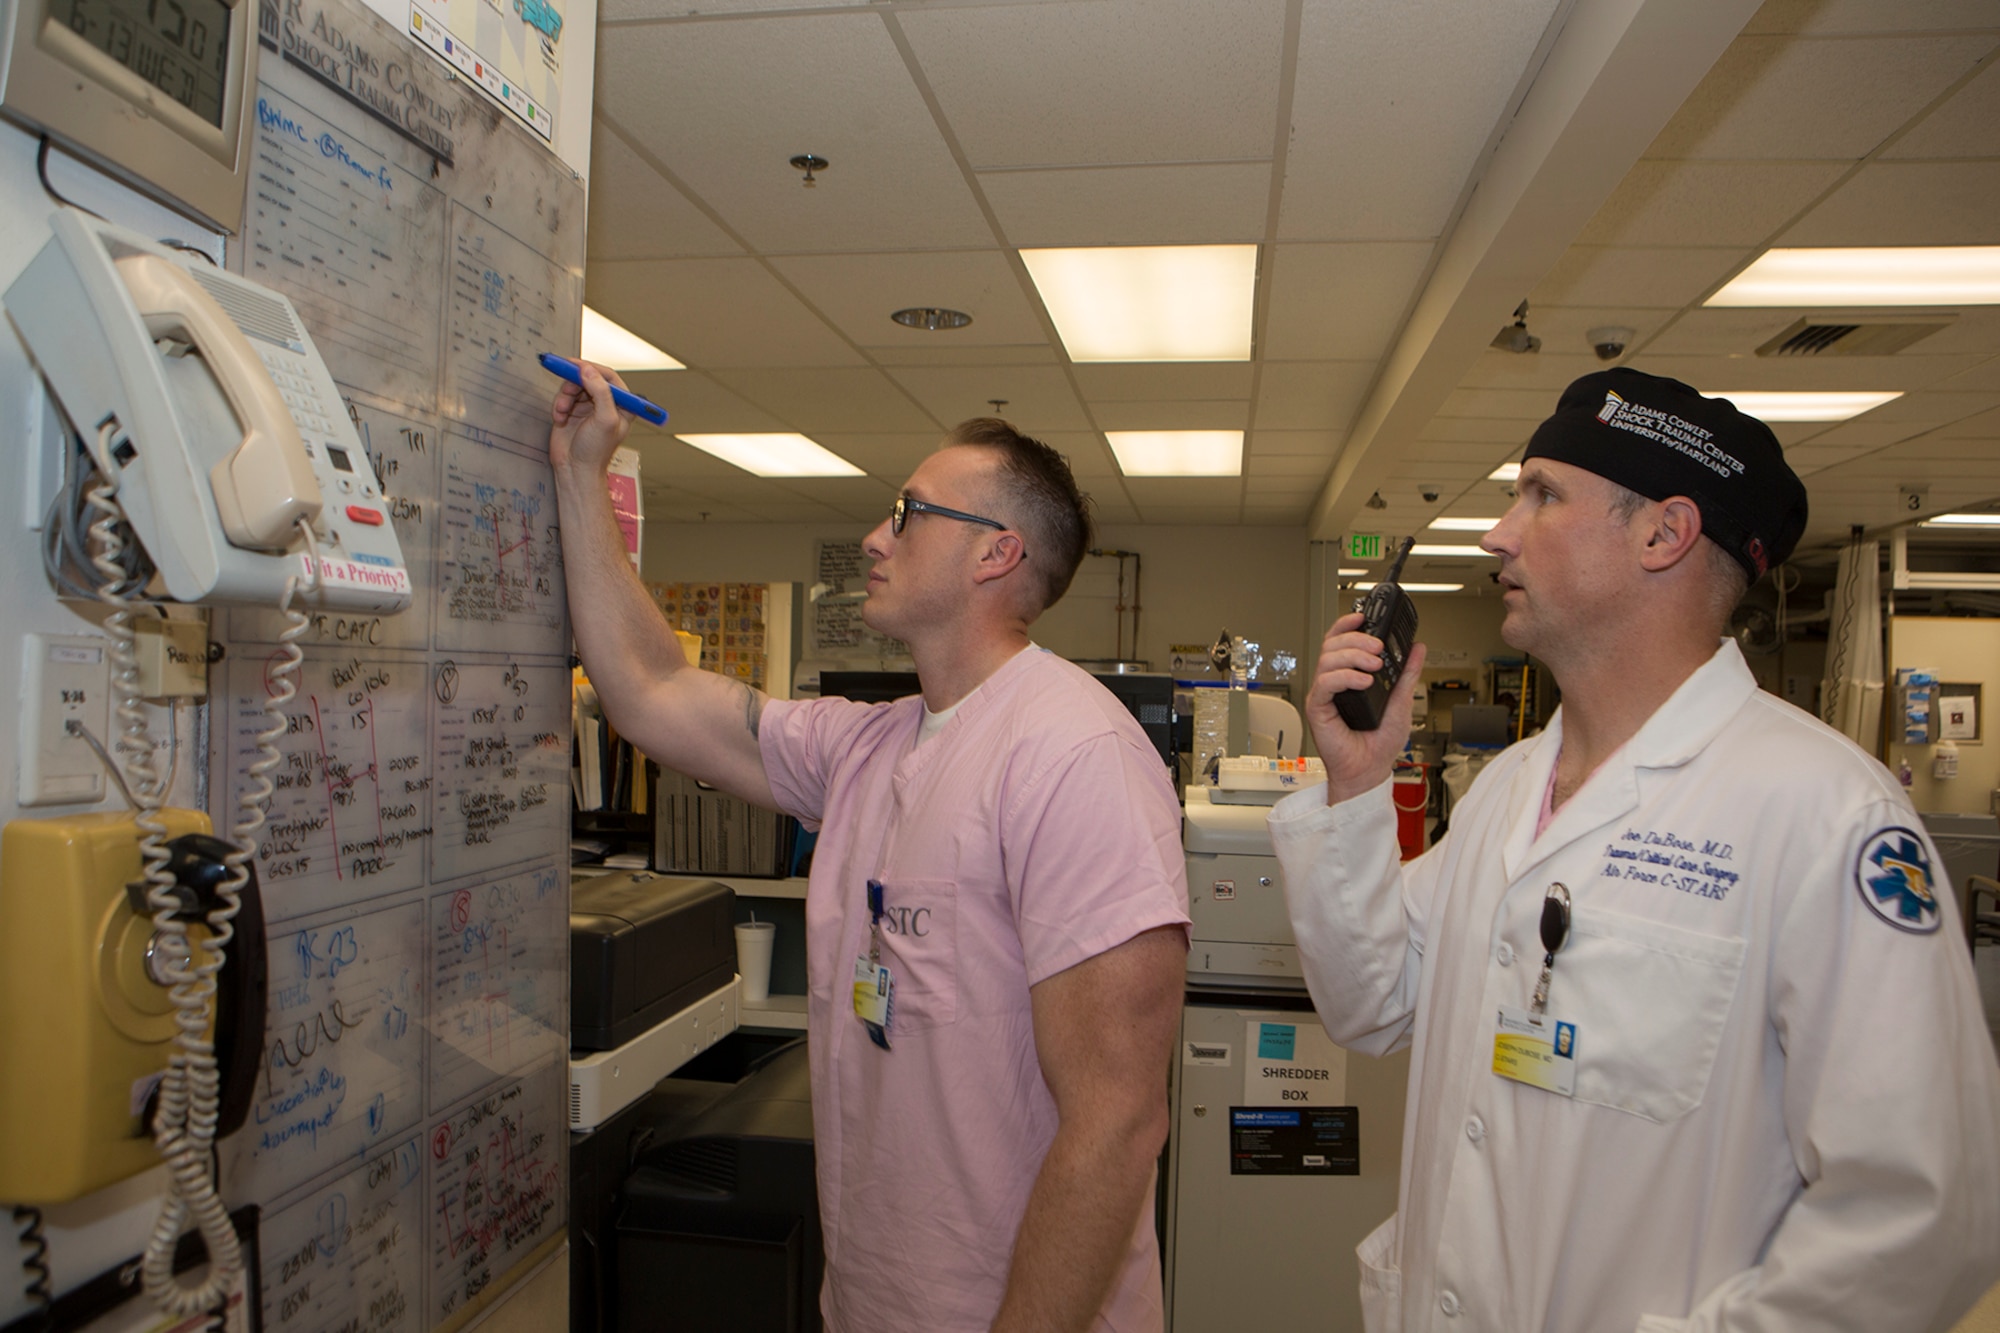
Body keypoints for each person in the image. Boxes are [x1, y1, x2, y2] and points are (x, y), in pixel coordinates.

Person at [1270, 367, 2000, 1332]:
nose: (1498, 531)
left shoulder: (1822, 815)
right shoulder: (1505, 795)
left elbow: (1924, 1212)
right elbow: (1369, 1004)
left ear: (1664, 532)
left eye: (1541, 494)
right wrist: (1360, 782)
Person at [548, 363, 1190, 1333]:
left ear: (994, 554)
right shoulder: (867, 746)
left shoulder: (1075, 753)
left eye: (908, 512)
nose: (872, 537)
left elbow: (1117, 1121)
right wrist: (578, 473)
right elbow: (648, 687)